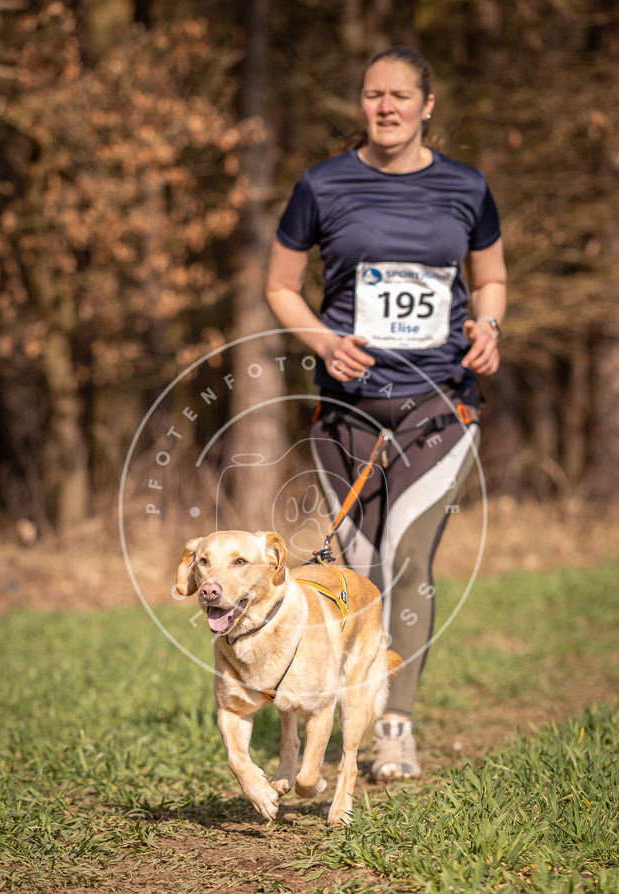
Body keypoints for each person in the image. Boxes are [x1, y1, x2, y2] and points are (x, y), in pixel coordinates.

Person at [265, 47, 506, 781]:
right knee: (359, 570)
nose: (386, 106)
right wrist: (323, 342)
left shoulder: (467, 187)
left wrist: (489, 329)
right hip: (347, 410)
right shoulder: (323, 184)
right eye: (374, 95)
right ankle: (352, 711)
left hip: (440, 402)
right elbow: (280, 286)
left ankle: (395, 725)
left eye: (401, 95)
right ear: (362, 104)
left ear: (428, 103)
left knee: (407, 555)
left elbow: (490, 276)